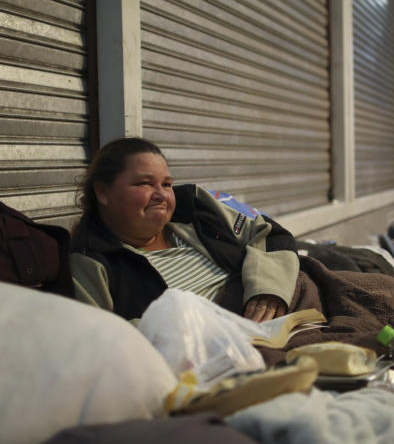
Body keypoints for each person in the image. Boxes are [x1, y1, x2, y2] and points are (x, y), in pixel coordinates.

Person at [70, 137, 299, 322]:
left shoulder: (194, 209)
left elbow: (268, 233)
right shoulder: (90, 262)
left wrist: (268, 290)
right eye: (144, 183)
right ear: (102, 192)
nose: (161, 195)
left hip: (286, 311)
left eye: (167, 184)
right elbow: (104, 339)